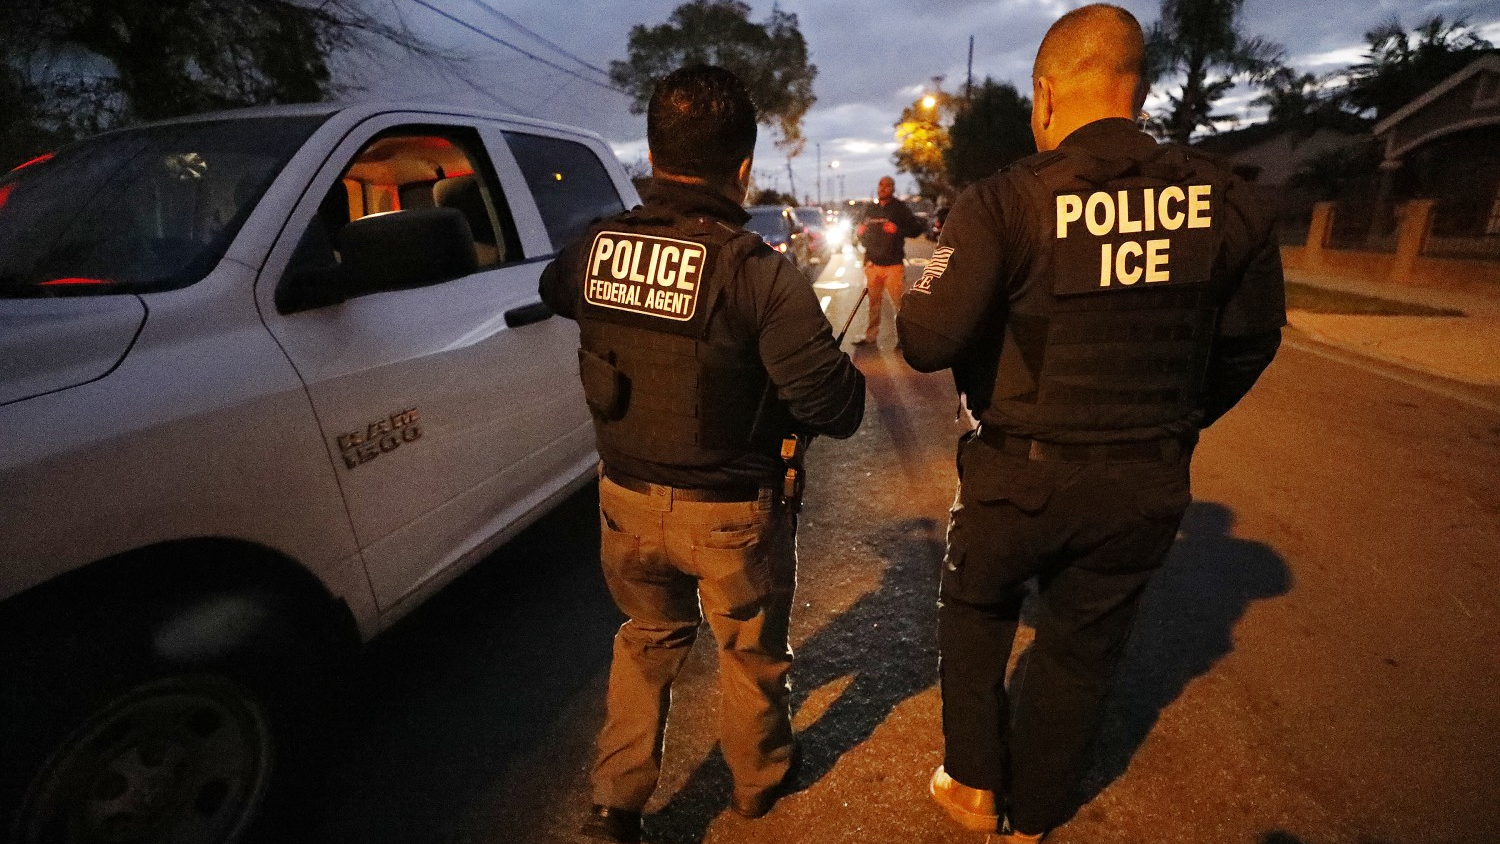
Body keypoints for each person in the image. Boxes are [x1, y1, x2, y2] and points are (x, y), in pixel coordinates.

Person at [896, 5, 1285, 841]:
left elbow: (926, 340)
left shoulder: (1003, 202)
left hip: (1017, 471)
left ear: (1044, 95)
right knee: (1083, 647)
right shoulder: (1229, 203)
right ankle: (1037, 812)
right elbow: (1251, 344)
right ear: (1135, 89)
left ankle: (972, 784)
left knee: (977, 606)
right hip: (1145, 477)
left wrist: (930, 267)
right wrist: (1172, 420)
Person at [539, 64, 865, 844]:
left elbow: (558, 291)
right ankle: (756, 785)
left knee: (645, 642)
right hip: (730, 519)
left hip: (625, 504)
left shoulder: (596, 247)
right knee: (749, 652)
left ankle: (616, 806)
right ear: (744, 167)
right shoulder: (759, 275)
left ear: (653, 152)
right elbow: (836, 407)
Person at [854, 175, 926, 346]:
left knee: (898, 304)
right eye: (880, 185)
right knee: (873, 304)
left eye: (887, 186)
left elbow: (916, 229)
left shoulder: (900, 209)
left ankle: (904, 339)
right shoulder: (871, 209)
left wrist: (897, 230)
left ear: (893, 189)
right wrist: (861, 232)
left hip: (893, 264)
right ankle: (870, 336)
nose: (883, 188)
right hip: (873, 264)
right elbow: (862, 233)